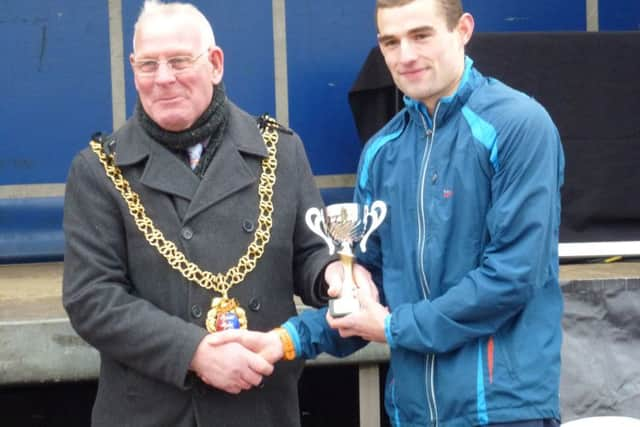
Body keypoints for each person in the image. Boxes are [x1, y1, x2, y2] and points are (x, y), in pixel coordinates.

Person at [213, 0, 566, 426]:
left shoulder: (519, 126)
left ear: (463, 30)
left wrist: (394, 328)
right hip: (410, 413)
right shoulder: (382, 151)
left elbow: (512, 277)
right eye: (391, 42)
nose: (406, 56)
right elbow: (370, 289)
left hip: (504, 411)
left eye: (421, 35)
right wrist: (286, 339)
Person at [62, 1, 363, 426]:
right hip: (152, 411)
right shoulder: (98, 169)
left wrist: (333, 274)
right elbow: (92, 299)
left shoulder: (279, 150)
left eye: (179, 61)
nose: (162, 78)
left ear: (216, 64)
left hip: (259, 404)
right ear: (132, 68)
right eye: (148, 65)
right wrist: (194, 353)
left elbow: (310, 253)